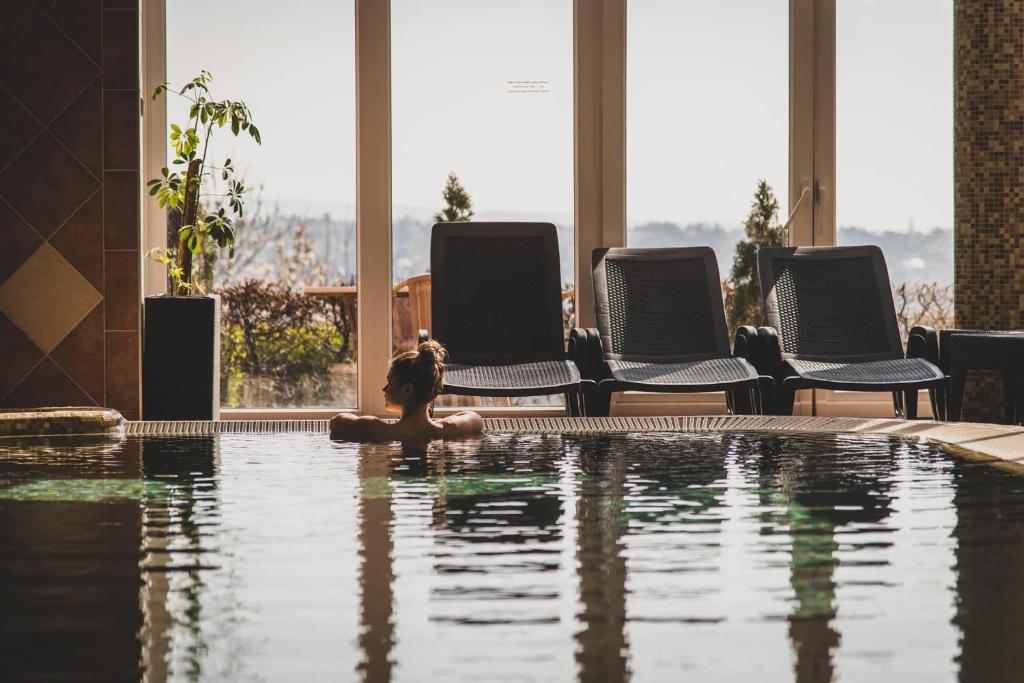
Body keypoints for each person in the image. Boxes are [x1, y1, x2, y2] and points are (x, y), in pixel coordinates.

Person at [329, 340, 483, 442]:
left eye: (389, 383)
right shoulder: (445, 430)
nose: (384, 389)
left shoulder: (380, 431)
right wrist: (443, 423)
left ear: (407, 390)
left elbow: (336, 422)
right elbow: (476, 419)